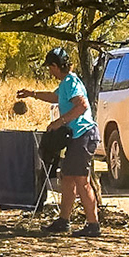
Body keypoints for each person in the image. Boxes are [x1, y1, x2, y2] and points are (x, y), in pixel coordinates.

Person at [18, 47, 100, 236]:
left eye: (50, 67)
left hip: (84, 135)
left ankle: (93, 225)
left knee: (81, 180)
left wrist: (59, 122)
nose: (49, 71)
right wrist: (32, 94)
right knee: (67, 177)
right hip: (76, 136)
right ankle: (64, 220)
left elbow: (82, 105)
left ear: (56, 66)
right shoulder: (66, 83)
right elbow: (55, 97)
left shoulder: (71, 81)